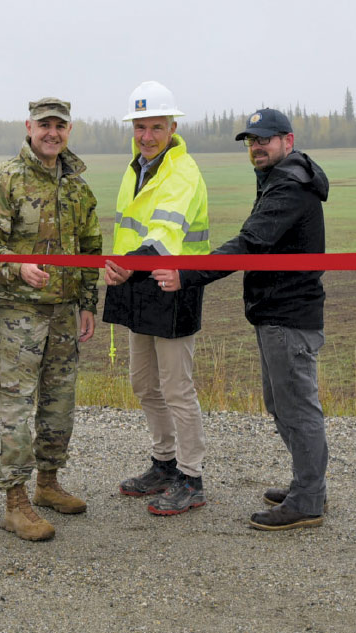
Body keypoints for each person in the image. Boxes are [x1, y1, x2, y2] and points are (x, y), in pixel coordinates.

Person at [152, 108, 330, 530]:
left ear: (288, 140)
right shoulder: (281, 178)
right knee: (282, 404)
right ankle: (308, 486)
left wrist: (187, 274)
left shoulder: (289, 186)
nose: (256, 147)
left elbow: (250, 243)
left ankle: (308, 500)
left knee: (297, 408)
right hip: (276, 310)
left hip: (288, 313)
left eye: (264, 139)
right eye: (251, 141)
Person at [0, 98, 101, 541]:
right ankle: (15, 501)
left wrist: (86, 301)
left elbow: (90, 249)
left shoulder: (77, 187)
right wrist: (18, 267)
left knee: (59, 403)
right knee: (16, 407)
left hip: (64, 314)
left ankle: (47, 484)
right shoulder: (6, 179)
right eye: (44, 125)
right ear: (28, 127)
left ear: (68, 130)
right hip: (19, 314)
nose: (51, 133)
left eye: (59, 126)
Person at [103, 80, 211, 516]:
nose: (146, 136)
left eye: (155, 127)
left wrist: (128, 263)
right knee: (144, 384)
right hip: (136, 283)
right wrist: (121, 269)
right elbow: (130, 227)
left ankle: (191, 476)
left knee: (176, 388)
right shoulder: (136, 168)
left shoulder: (182, 170)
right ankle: (164, 463)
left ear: (172, 126)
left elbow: (164, 234)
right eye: (139, 127)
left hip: (170, 284)